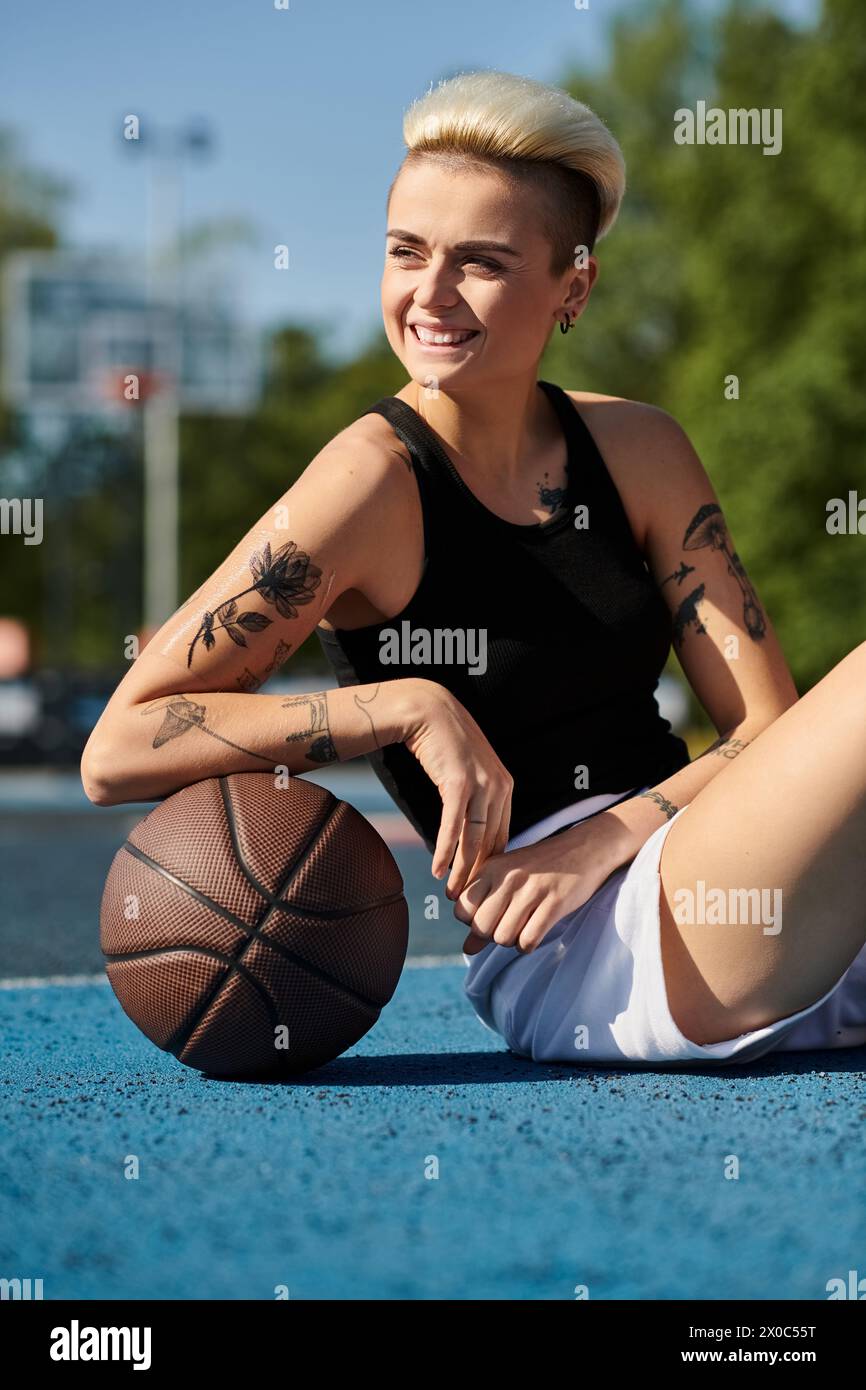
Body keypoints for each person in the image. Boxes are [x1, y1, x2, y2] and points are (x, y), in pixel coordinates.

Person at [81, 69, 866, 1068]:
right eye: (405, 251)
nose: (429, 295)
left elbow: (765, 728)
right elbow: (118, 748)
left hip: (729, 877)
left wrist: (598, 838)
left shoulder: (638, 447)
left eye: (481, 262)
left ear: (570, 285)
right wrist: (407, 704)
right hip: (585, 952)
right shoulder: (367, 481)